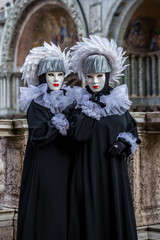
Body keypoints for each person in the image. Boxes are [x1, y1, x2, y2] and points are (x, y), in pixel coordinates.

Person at [66, 35, 141, 240]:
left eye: (99, 76)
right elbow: (77, 135)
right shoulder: (78, 104)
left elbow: (132, 129)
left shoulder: (118, 104)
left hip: (112, 175)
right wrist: (91, 109)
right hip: (86, 172)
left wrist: (122, 142)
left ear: (108, 75)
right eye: (90, 77)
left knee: (112, 215)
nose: (95, 81)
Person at [17, 42, 74, 240]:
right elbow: (38, 136)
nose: (56, 79)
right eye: (51, 75)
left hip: (66, 162)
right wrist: (60, 121)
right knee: (47, 208)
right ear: (43, 77)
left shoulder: (70, 99)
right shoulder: (37, 102)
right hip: (45, 164)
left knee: (64, 206)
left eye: (59, 74)